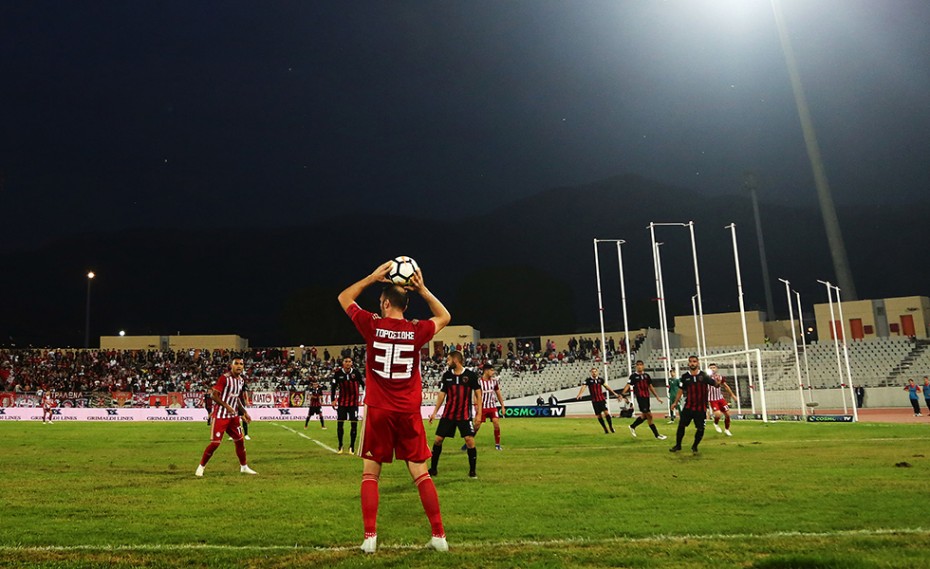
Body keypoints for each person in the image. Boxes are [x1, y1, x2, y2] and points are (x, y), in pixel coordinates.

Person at [337, 261, 451, 554]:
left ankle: (370, 538)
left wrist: (371, 277)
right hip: (408, 410)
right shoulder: (416, 330)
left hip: (379, 409)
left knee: (370, 474)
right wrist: (424, 290)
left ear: (385, 302)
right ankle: (439, 536)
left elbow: (344, 298)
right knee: (420, 473)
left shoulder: (372, 324)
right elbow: (445, 316)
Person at [196, 357, 257, 476]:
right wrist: (227, 406)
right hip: (221, 416)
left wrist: (244, 412)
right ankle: (201, 467)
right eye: (237, 364)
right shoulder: (225, 378)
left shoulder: (241, 380)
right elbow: (214, 395)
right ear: (231, 366)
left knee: (240, 441)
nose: (239, 366)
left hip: (233, 417)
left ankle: (244, 467)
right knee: (215, 443)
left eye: (241, 364)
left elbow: (237, 399)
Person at [429, 351, 482, 478]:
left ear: (456, 360)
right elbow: (442, 394)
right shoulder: (447, 375)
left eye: (448, 360)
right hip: (448, 414)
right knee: (438, 440)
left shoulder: (470, 375)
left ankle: (472, 471)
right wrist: (435, 412)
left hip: (464, 415)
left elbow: (478, 394)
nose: (447, 362)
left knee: (469, 441)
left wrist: (479, 414)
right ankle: (433, 469)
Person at [669, 355, 719, 454]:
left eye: (694, 361)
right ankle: (678, 445)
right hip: (689, 406)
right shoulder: (685, 377)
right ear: (688, 363)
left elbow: (715, 384)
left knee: (700, 428)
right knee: (681, 426)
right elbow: (680, 390)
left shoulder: (704, 375)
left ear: (698, 363)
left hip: (701, 408)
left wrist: (719, 383)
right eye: (691, 361)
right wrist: (675, 402)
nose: (692, 363)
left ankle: (695, 446)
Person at [621, 360, 666, 440]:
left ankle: (632, 426)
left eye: (641, 365)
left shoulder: (646, 376)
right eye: (637, 365)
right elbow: (628, 385)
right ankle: (657, 435)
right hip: (640, 398)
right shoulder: (633, 376)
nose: (639, 366)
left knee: (645, 416)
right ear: (636, 366)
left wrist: (657, 397)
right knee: (649, 415)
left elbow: (650, 387)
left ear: (643, 366)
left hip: (646, 397)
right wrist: (622, 393)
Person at [331, 357, 364, 454]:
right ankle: (340, 445)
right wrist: (333, 400)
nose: (348, 363)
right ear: (343, 363)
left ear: (352, 363)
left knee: (354, 424)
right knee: (340, 424)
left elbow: (363, 384)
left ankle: (352, 447)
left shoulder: (356, 373)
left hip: (353, 403)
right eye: (346, 361)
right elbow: (333, 387)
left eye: (349, 361)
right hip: (342, 403)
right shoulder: (338, 374)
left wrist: (366, 395)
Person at [575, 367, 623, 434]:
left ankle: (611, 427)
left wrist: (614, 393)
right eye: (592, 372)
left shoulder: (600, 380)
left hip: (601, 399)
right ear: (591, 373)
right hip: (595, 400)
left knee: (606, 413)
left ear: (597, 372)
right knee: (599, 416)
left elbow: (606, 386)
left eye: (595, 371)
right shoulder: (588, 380)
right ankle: (605, 429)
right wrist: (580, 394)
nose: (594, 373)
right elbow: (583, 387)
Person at [473, 363, 505, 450]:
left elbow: (498, 394)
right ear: (486, 371)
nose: (493, 372)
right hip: (482, 407)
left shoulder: (494, 381)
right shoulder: (479, 382)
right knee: (477, 425)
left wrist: (502, 406)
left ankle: (497, 445)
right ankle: (469, 441)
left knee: (496, 424)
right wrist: (476, 405)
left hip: (492, 406)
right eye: (491, 370)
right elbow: (475, 395)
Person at [707, 363, 737, 437]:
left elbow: (726, 386)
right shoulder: (706, 378)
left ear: (716, 369)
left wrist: (732, 395)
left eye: (714, 367)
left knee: (728, 414)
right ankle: (715, 423)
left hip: (720, 398)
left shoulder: (720, 377)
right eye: (711, 368)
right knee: (718, 414)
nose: (712, 369)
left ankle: (727, 430)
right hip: (712, 399)